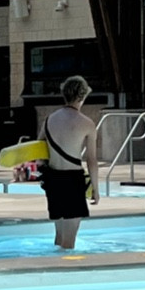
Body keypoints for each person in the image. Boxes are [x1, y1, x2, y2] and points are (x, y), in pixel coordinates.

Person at [39, 75, 99, 251]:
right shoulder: (87, 123)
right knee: (69, 242)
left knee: (59, 237)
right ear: (83, 97)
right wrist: (95, 188)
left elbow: (40, 151)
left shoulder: (49, 119)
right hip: (73, 181)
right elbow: (92, 161)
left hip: (53, 179)